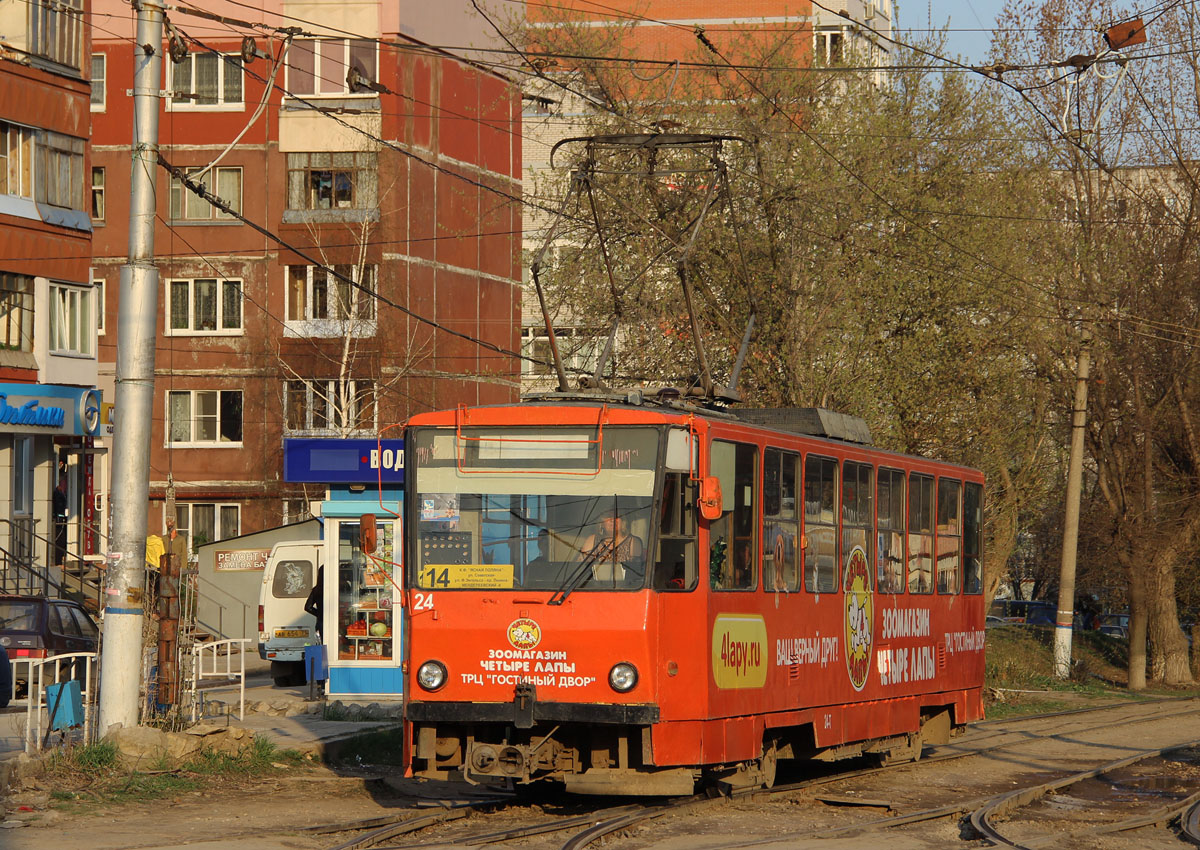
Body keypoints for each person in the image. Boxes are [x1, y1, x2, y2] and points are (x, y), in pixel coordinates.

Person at [580, 510, 644, 583]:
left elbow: (634, 574)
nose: (613, 520)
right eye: (608, 517)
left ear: (622, 522)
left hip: (624, 590)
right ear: (601, 524)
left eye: (617, 516)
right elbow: (581, 568)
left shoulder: (633, 541)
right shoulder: (592, 539)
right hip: (596, 588)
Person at [52, 472, 68, 567]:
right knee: (59, 539)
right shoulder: (57, 494)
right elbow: (58, 505)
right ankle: (58, 561)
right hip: (58, 518)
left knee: (62, 539)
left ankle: (61, 559)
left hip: (61, 517)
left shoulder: (62, 493)